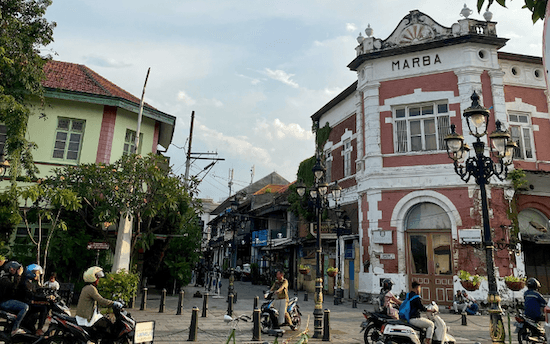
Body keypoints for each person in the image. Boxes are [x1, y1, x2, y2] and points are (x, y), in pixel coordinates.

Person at [18, 264, 52, 336]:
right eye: (36, 274)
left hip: (28, 303)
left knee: (45, 306)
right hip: (25, 304)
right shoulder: (25, 282)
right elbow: (33, 296)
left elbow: (37, 292)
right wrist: (46, 298)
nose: (37, 276)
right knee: (44, 308)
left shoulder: (29, 282)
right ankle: (39, 329)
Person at [0, 261, 29, 336]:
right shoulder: (4, 278)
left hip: (7, 300)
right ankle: (15, 328)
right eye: (16, 269)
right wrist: (19, 276)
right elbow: (12, 287)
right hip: (4, 302)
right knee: (25, 307)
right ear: (11, 269)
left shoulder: (9, 277)